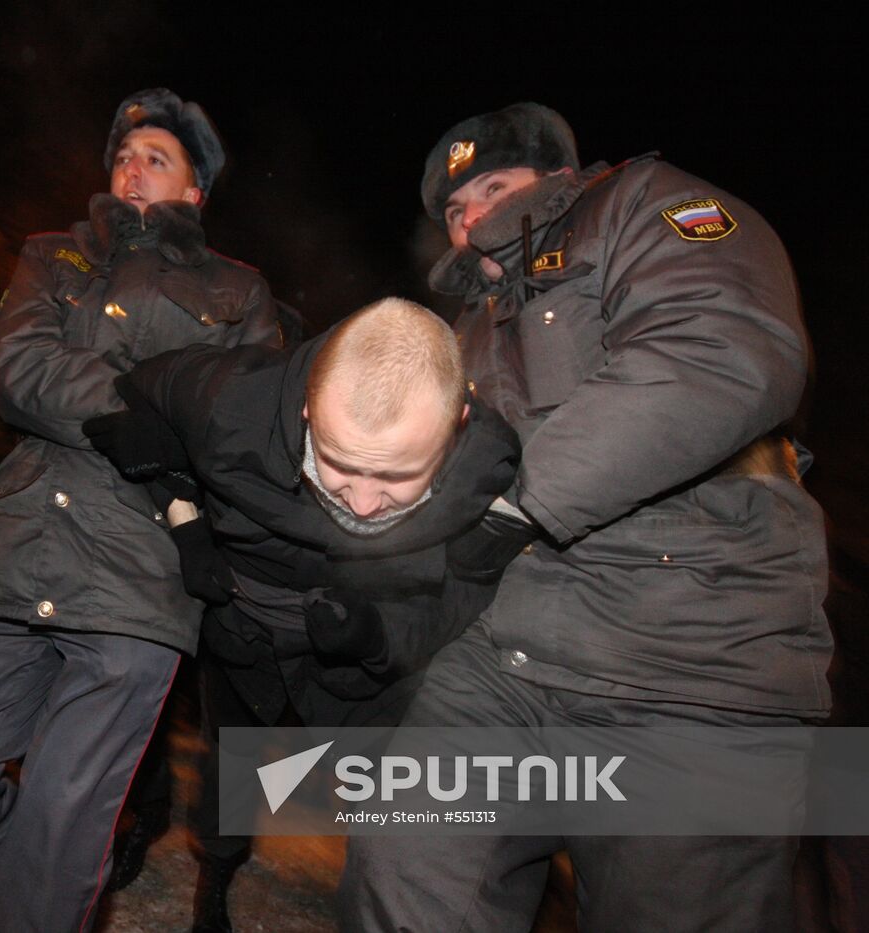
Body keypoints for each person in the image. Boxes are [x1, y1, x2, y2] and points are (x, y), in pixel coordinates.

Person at [339, 103, 833, 932]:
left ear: (557, 177)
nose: (471, 223)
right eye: (455, 212)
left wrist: (517, 501)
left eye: (493, 188)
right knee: (404, 868)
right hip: (502, 660)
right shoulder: (464, 327)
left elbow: (725, 349)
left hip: (688, 657)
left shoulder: (649, 205)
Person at [0, 88, 281, 933]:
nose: (132, 168)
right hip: (22, 547)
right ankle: (53, 894)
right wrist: (136, 409)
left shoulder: (239, 291)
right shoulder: (54, 254)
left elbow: (247, 419)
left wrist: (178, 439)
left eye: (157, 158)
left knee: (64, 813)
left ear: (195, 191)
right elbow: (19, 370)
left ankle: (47, 896)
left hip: (140, 575)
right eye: (123, 155)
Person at [83, 297, 519, 930]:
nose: (365, 505)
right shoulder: (226, 398)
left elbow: (468, 593)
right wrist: (186, 524)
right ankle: (216, 876)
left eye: (397, 477)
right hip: (243, 625)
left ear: (457, 426)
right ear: (310, 407)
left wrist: (379, 637)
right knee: (231, 766)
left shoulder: (493, 467)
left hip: (371, 656)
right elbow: (131, 402)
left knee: (391, 799)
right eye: (339, 464)